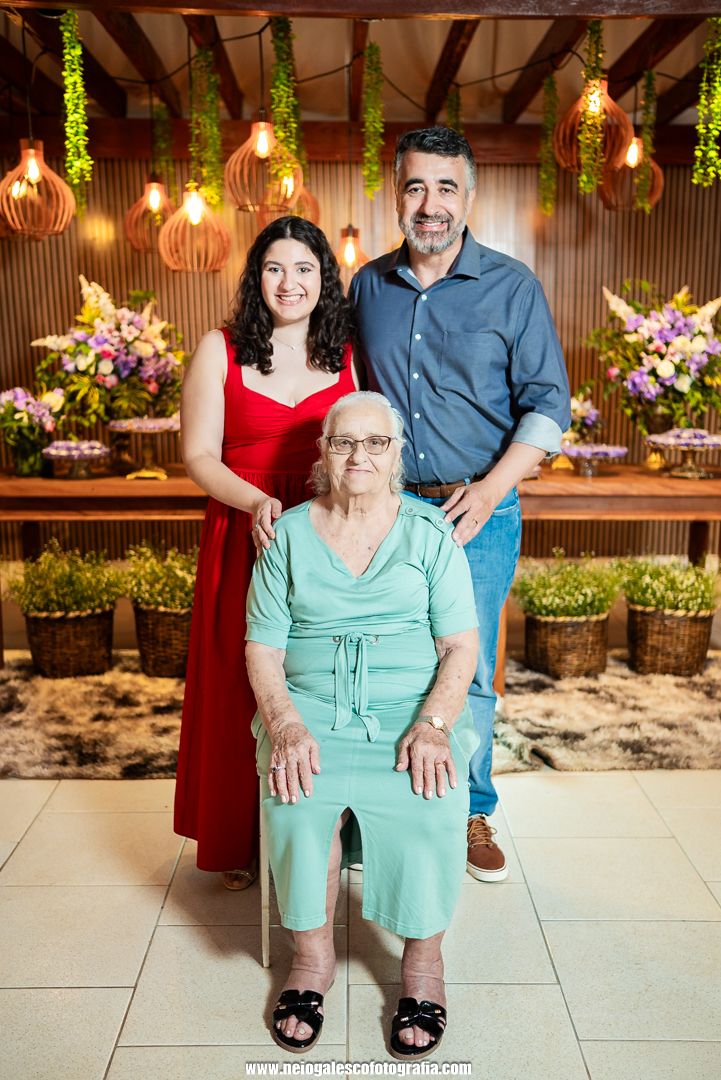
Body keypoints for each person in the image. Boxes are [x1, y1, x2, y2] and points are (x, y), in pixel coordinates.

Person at [348, 127, 571, 882]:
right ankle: (376, 808)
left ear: (468, 197)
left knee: (466, 668)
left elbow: (548, 405)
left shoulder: (512, 286)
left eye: (446, 187)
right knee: (382, 661)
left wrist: (493, 487)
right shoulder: (367, 286)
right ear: (397, 195)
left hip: (478, 510)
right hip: (385, 513)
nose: (430, 204)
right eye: (416, 186)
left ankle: (468, 809)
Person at [246, 391, 479, 1058]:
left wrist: (434, 723)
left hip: (410, 707)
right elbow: (262, 648)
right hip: (309, 707)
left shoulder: (430, 533)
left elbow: (460, 646)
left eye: (375, 442)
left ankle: (423, 966)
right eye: (344, 441)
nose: (359, 455)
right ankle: (310, 959)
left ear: (396, 454)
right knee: (296, 801)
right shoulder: (287, 534)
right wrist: (285, 723)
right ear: (323, 453)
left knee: (431, 800)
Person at [175, 216, 358, 889]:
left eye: (304, 269)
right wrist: (255, 502)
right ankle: (237, 839)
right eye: (275, 268)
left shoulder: (346, 353)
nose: (289, 282)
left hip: (324, 533)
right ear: (256, 277)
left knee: (319, 677)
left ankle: (322, 837)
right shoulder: (219, 349)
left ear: (323, 279)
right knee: (238, 679)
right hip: (244, 529)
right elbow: (198, 455)